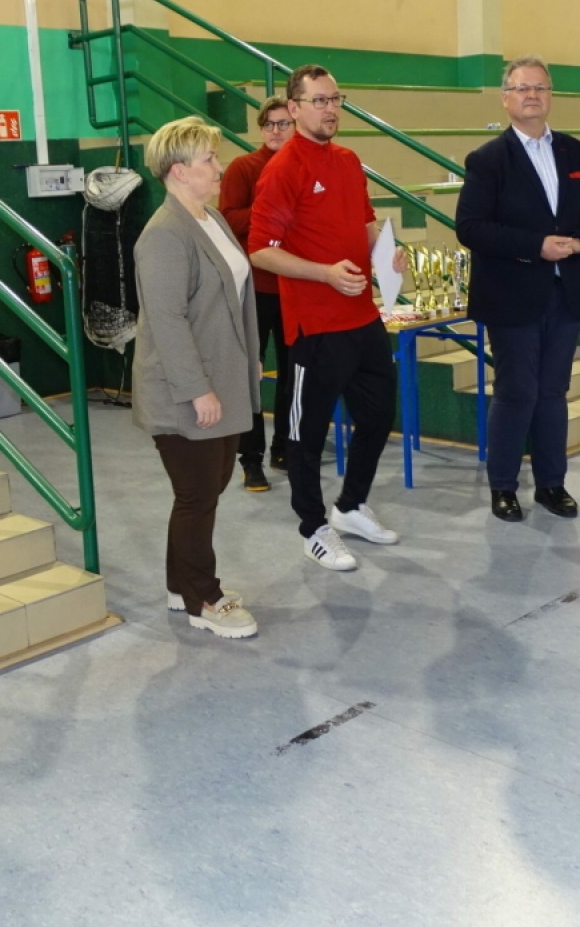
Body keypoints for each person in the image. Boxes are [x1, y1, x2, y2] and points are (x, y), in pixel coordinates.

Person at [249, 66, 408, 572]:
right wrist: (324, 273)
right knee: (306, 436)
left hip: (362, 318)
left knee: (379, 416)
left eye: (335, 99)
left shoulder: (347, 160)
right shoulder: (283, 168)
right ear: (294, 108)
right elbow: (261, 251)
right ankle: (313, 529)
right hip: (314, 328)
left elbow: (364, 226)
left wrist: (387, 255)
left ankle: (350, 506)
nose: (330, 109)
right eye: (319, 101)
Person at [454, 57, 580, 522]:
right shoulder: (488, 160)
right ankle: (503, 487)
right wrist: (536, 246)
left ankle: (551, 483)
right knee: (517, 391)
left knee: (553, 391)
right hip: (512, 295)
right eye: (522, 88)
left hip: (566, 293)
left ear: (551, 96)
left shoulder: (577, 153)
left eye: (541, 88)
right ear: (505, 98)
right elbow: (470, 227)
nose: (532, 95)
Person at [133, 117, 263, 639]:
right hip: (185, 391)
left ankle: (178, 584)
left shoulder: (211, 220)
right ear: (179, 170)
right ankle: (203, 598)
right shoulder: (164, 234)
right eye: (209, 159)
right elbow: (167, 321)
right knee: (198, 494)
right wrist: (197, 390)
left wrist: (249, 359)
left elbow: (234, 297)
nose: (219, 166)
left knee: (205, 489)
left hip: (222, 378)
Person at [217, 95, 296, 492]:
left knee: (293, 374)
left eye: (283, 124)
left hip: (295, 287)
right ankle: (251, 460)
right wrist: (271, 209)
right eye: (269, 124)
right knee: (251, 375)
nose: (276, 131)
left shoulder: (302, 166)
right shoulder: (244, 167)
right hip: (254, 288)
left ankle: (284, 448)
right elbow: (228, 218)